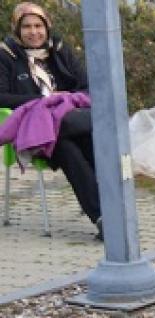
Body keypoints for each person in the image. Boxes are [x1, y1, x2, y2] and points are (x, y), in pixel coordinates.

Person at [0, 2, 99, 237]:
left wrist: (65, 101)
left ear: (47, 27)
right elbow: (2, 96)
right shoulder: (5, 56)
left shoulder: (60, 50)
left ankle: (105, 217)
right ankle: (108, 217)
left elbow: (86, 86)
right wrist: (44, 100)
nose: (33, 32)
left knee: (80, 143)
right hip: (36, 133)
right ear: (17, 30)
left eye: (39, 26)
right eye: (27, 27)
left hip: (68, 123)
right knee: (70, 146)